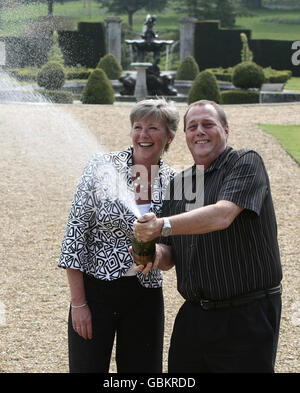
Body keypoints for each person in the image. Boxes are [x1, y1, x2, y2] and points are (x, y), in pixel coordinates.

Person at [134, 99, 283, 373]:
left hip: (246, 315)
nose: (199, 131)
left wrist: (161, 225)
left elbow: (222, 215)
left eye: (208, 124)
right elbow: (169, 256)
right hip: (194, 317)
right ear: (185, 136)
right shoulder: (180, 183)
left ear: (226, 130)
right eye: (192, 126)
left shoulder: (245, 162)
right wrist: (150, 252)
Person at [58, 98, 180, 373]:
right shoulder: (101, 166)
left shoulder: (176, 182)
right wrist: (79, 303)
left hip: (145, 296)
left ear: (169, 136)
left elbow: (174, 253)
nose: (143, 135)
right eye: (137, 127)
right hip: (95, 291)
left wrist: (158, 254)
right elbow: (75, 234)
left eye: (153, 128)